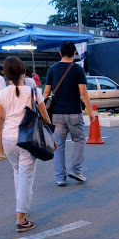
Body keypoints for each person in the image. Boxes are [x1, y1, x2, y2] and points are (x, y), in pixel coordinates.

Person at [0, 57, 53, 232]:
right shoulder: (34, 91)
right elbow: (45, 116)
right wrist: (51, 136)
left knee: (17, 172)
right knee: (26, 178)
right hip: (27, 139)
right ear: (23, 72)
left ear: (7, 74)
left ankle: (21, 208)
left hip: (8, 139)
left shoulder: (2, 93)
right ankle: (21, 219)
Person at [43, 41, 96, 187]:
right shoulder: (78, 70)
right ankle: (75, 170)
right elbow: (83, 92)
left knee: (59, 146)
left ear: (60, 53)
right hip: (73, 112)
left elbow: (46, 93)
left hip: (57, 114)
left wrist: (42, 110)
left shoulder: (52, 69)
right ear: (74, 54)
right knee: (79, 140)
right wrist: (90, 111)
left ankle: (60, 178)